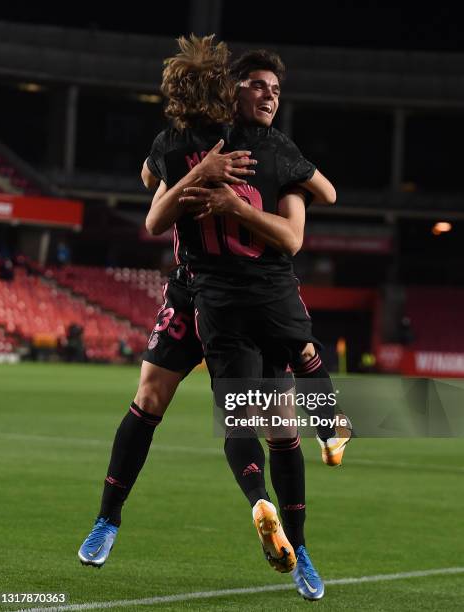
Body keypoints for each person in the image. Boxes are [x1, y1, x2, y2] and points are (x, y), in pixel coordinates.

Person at [79, 37, 350, 601]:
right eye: (258, 86)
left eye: (274, 89)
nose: (267, 96)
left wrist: (189, 177)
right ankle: (111, 521)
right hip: (212, 295)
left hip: (213, 296)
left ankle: (111, 522)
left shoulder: (177, 144)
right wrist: (286, 188)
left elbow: (147, 186)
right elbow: (322, 193)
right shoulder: (267, 148)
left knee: (178, 406)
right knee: (250, 415)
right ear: (229, 88)